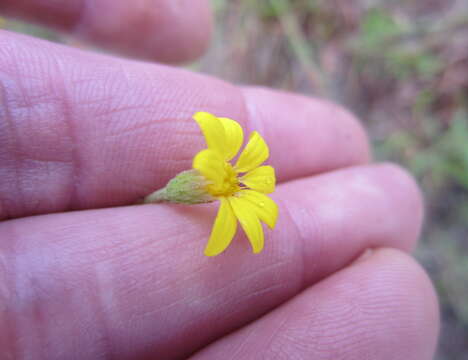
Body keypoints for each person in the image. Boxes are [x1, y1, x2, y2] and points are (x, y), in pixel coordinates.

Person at [0, 1, 439, 359]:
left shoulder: (239, 186)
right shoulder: (225, 162)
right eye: (229, 180)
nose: (235, 181)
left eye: (233, 181)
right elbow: (227, 166)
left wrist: (223, 188)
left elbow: (249, 198)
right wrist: (216, 183)